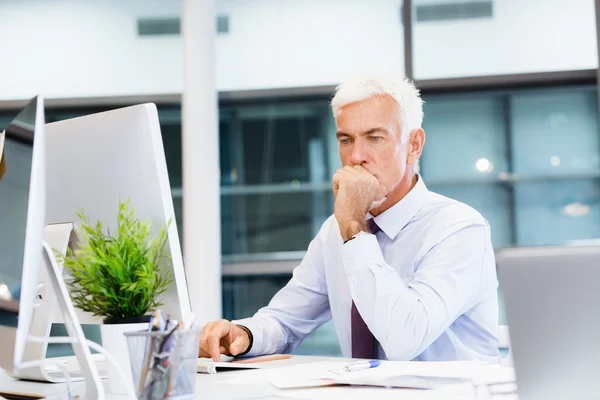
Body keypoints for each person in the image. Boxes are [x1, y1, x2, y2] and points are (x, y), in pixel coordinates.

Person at [199, 74, 500, 362]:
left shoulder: (458, 229)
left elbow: (403, 339)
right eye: (345, 140)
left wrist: (355, 229)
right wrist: (244, 334)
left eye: (375, 138)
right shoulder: (336, 229)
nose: (356, 156)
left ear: (413, 145)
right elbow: (285, 320)